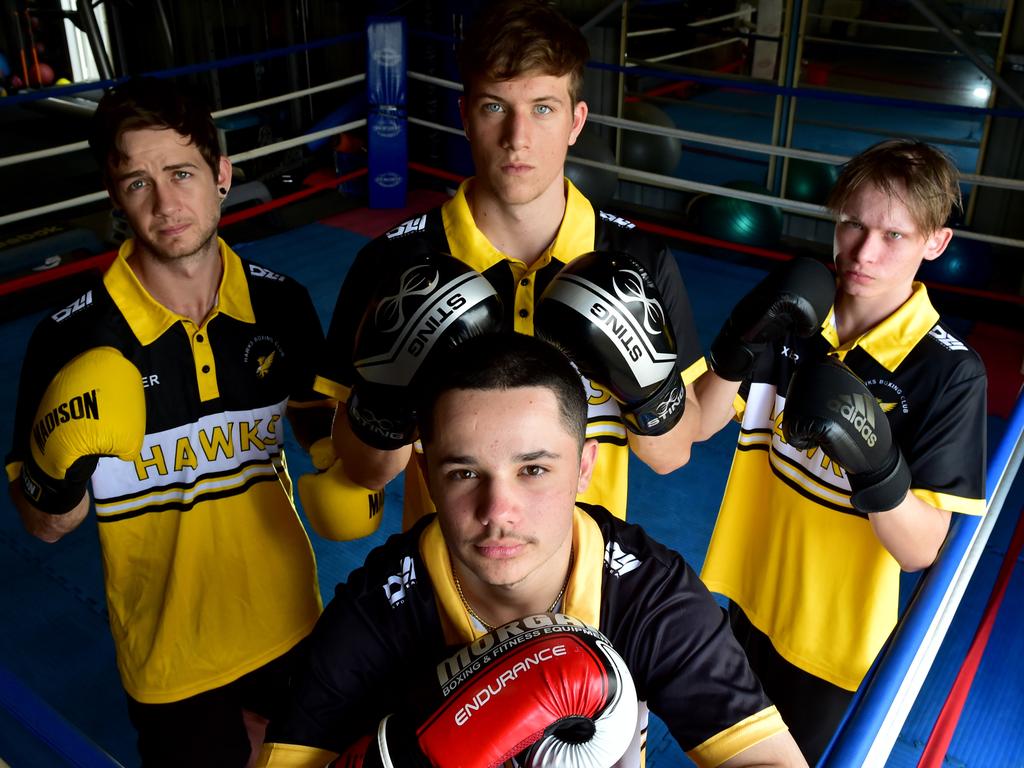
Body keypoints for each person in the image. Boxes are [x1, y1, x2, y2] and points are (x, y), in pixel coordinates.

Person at [260, 332, 807, 768]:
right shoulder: (379, 610)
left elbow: (769, 761)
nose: (498, 509)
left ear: (584, 468)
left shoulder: (650, 594)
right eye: (465, 472)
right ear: (425, 474)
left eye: (534, 469)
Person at [5, 77, 335, 767]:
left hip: (291, 622)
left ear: (221, 175)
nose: (164, 205)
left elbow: (316, 426)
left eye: (181, 173)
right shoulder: (70, 339)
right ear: (114, 195)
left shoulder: (282, 305)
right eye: (137, 183)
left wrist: (350, 456)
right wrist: (55, 467)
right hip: (169, 660)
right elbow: (43, 522)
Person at [312, 0, 706, 531]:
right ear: (465, 117)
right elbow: (364, 469)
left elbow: (671, 454)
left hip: (585, 579)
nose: (517, 137)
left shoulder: (639, 261)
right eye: (495, 107)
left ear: (576, 121)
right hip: (445, 573)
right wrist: (387, 400)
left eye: (543, 107)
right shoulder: (394, 263)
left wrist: (647, 388)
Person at [693, 139, 988, 762]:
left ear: (935, 243)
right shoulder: (797, 314)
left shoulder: (949, 372)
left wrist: (877, 465)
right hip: (747, 595)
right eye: (853, 224)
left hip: (834, 643)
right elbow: (699, 424)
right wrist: (738, 343)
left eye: (895, 236)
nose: (863, 253)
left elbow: (923, 551)